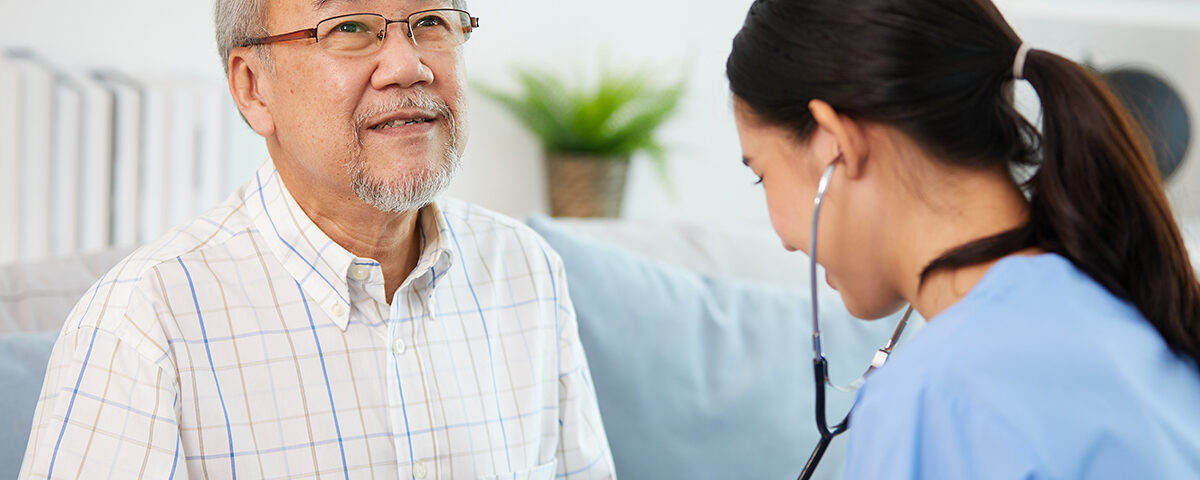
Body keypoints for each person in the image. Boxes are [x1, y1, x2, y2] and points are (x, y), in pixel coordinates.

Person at [19, 1, 615, 478]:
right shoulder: (142, 323)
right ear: (253, 88)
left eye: (432, 21)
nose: (409, 66)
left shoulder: (527, 270)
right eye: (351, 27)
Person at [726, 0, 1200, 477]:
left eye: (761, 175)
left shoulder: (931, 404)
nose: (784, 238)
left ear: (836, 144)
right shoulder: (1141, 319)